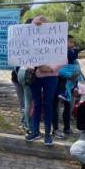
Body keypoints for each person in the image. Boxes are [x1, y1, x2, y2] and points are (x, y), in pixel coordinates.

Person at [25, 16, 62, 146]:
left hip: (51, 77)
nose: (40, 27)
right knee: (36, 104)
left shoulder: (57, 38)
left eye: (43, 25)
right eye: (37, 25)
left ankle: (47, 134)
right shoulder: (31, 40)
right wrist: (37, 66)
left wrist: (51, 69)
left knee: (48, 104)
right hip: (36, 77)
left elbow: (64, 58)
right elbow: (25, 57)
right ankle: (35, 131)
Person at [52, 35, 80, 138]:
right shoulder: (58, 55)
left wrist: (76, 86)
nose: (72, 44)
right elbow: (56, 70)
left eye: (73, 42)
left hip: (70, 86)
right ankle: (55, 129)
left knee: (68, 107)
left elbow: (77, 73)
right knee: (56, 107)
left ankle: (67, 128)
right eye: (70, 42)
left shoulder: (74, 60)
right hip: (58, 85)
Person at [13, 18, 33, 134]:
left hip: (22, 75)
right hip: (24, 75)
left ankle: (24, 123)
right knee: (26, 102)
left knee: (26, 102)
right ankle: (27, 125)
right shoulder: (26, 41)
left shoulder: (20, 39)